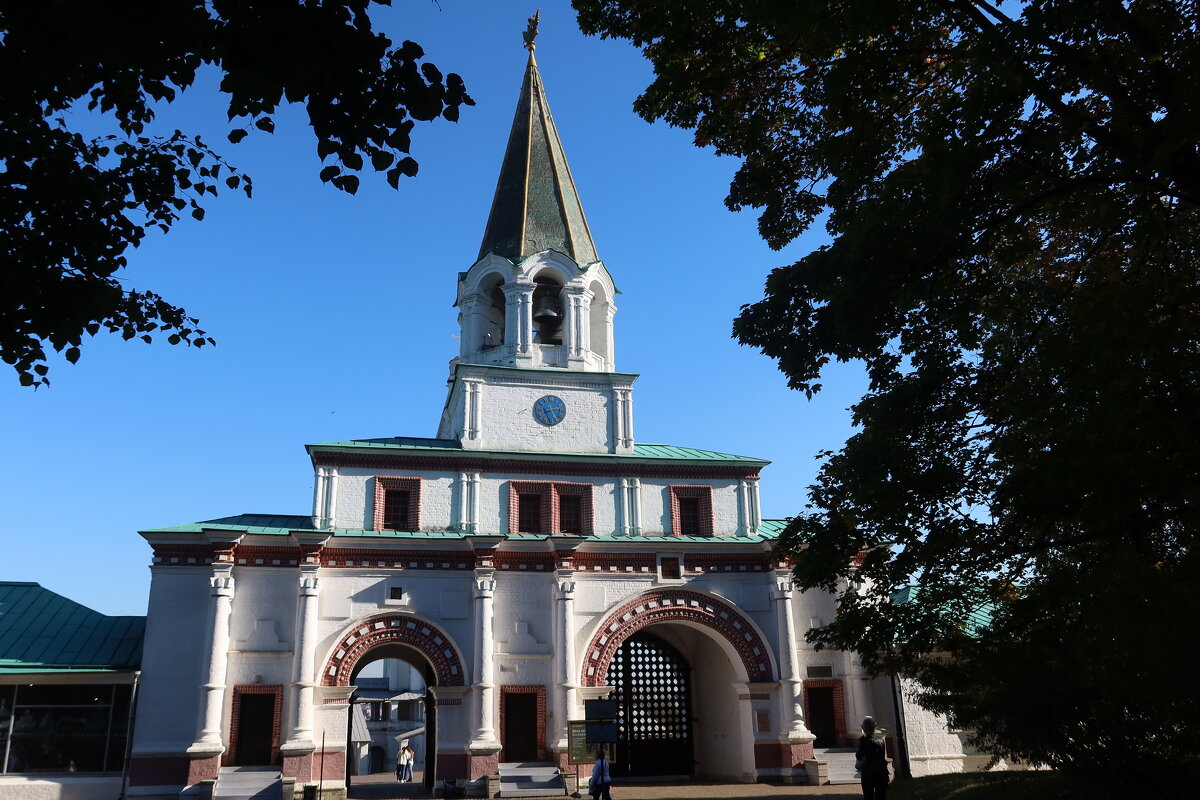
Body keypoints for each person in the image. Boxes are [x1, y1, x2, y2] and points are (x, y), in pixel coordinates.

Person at [856, 716, 889, 800]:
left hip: (868, 773)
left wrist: (861, 743)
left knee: (868, 796)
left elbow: (859, 756)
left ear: (864, 728)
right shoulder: (881, 740)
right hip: (881, 772)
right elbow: (882, 755)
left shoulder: (864, 740)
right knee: (881, 796)